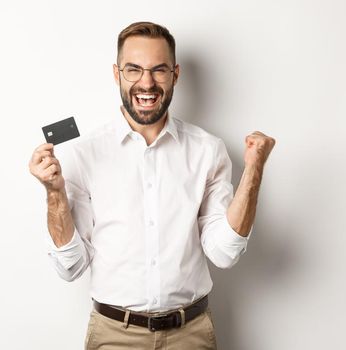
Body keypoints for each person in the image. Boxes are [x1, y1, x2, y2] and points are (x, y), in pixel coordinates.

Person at [27, 21, 275, 349]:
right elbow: (71, 266)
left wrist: (254, 169)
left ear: (175, 74)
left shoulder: (207, 150)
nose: (147, 82)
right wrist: (54, 192)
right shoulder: (83, 153)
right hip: (114, 335)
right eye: (134, 69)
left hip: (191, 334)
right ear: (117, 74)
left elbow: (225, 252)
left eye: (159, 70)